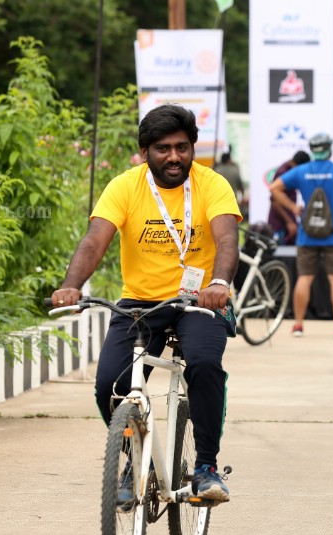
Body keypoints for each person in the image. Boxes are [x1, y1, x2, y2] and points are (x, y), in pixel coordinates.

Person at [50, 104, 241, 502]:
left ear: (192, 148)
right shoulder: (124, 186)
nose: (174, 157)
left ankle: (206, 467)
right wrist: (71, 285)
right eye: (163, 148)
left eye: (182, 147)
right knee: (109, 386)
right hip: (140, 303)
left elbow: (226, 240)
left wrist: (219, 282)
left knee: (205, 366)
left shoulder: (212, 184)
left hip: (199, 300)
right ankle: (137, 459)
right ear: (144, 151)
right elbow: (94, 241)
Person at [269, 132, 333, 338]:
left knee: (304, 278)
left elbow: (274, 187)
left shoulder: (302, 171)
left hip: (307, 235)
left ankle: (298, 325)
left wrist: (294, 208)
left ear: (313, 150)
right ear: (329, 150)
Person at [266, 150, 312, 245]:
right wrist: (289, 222)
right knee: (280, 254)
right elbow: (274, 201)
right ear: (297, 165)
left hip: (289, 219)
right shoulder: (283, 173)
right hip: (279, 224)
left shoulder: (290, 170)